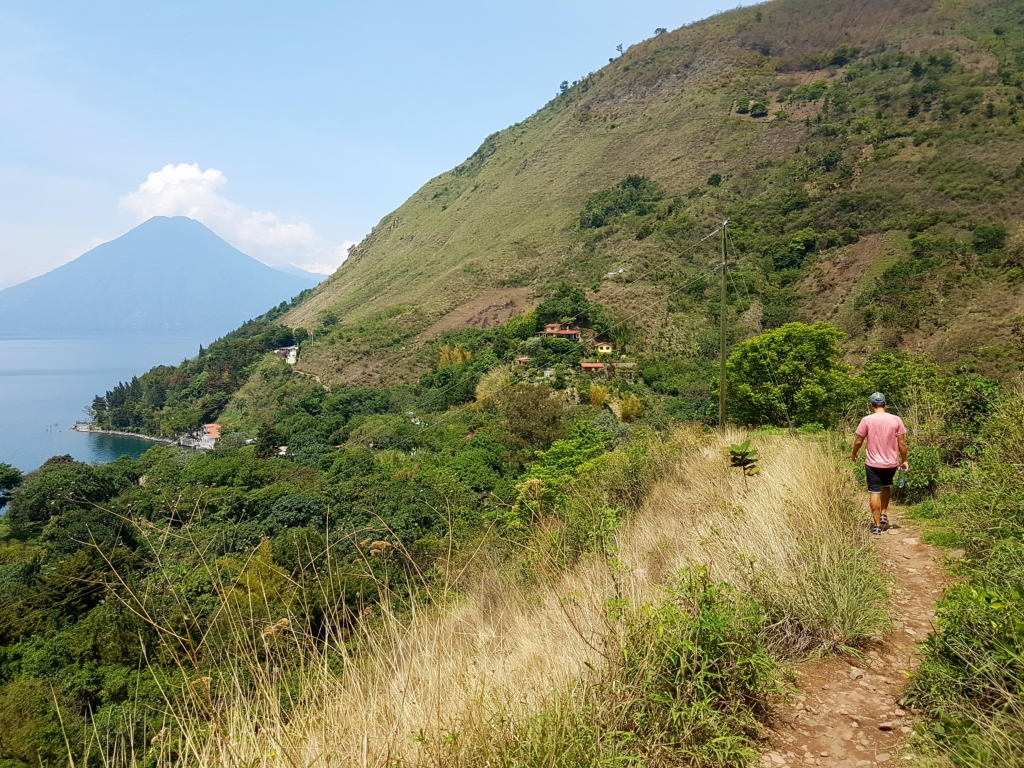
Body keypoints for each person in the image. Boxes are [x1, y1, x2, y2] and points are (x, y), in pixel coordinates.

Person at [851, 392, 909, 535]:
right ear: (885, 404)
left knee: (874, 491)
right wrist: (904, 460)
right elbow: (901, 442)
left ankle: (876, 526)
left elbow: (859, 440)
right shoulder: (896, 419)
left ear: (871, 405)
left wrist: (854, 453)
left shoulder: (867, 420)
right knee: (886, 486)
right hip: (890, 463)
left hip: (872, 463)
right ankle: (884, 513)